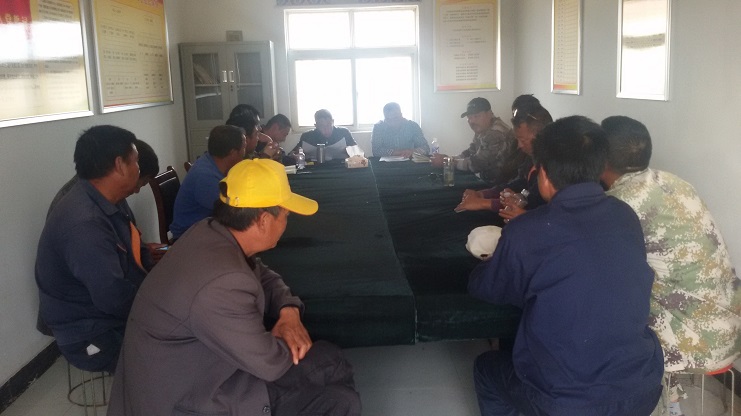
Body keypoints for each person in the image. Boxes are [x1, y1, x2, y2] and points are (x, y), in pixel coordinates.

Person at [107, 159, 361, 416]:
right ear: (263, 220)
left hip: (203, 372)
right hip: (191, 400)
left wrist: (288, 310)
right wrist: (290, 336)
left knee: (341, 396)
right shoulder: (222, 282)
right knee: (332, 369)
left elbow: (263, 275)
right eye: (286, 215)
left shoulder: (210, 231)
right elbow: (270, 364)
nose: (287, 221)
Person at [468, 116, 664, 416]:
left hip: (564, 400)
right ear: (600, 167)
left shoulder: (527, 230)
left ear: (544, 176)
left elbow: (488, 289)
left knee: (486, 367)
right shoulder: (625, 215)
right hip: (642, 390)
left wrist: (491, 261)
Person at [600, 116, 741, 374]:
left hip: (695, 345)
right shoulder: (676, 183)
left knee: (594, 302)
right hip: (732, 329)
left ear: (601, 159)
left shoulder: (619, 205)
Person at [35, 125, 155, 373]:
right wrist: (160, 308)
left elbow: (136, 246)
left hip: (111, 314)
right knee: (174, 352)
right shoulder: (84, 224)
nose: (139, 169)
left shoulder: (110, 198)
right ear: (120, 165)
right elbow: (112, 298)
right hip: (92, 332)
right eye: (135, 162)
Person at [456, 103, 552, 223]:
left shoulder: (552, 167)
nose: (519, 145)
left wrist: (483, 203)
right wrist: (483, 194)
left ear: (541, 138)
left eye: (523, 140)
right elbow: (521, 182)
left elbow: (535, 206)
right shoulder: (531, 157)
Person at [170, 124, 249, 240]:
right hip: (189, 238)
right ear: (233, 153)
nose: (244, 153)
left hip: (206, 229)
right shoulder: (205, 176)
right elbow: (232, 213)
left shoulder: (211, 162)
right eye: (244, 148)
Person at [431, 97, 525, 185]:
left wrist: (447, 161)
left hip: (503, 187)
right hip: (489, 182)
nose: (472, 121)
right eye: (469, 117)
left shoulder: (495, 133)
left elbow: (476, 164)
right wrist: (448, 158)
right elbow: (471, 151)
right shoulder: (483, 128)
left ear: (489, 114)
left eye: (476, 116)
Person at [292, 109, 357, 161]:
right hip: (315, 168)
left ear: (333, 122)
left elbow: (357, 151)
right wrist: (296, 155)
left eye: (329, 125)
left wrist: (350, 151)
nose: (326, 129)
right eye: (322, 126)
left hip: (340, 166)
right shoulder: (307, 136)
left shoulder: (343, 133)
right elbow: (292, 153)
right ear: (316, 126)